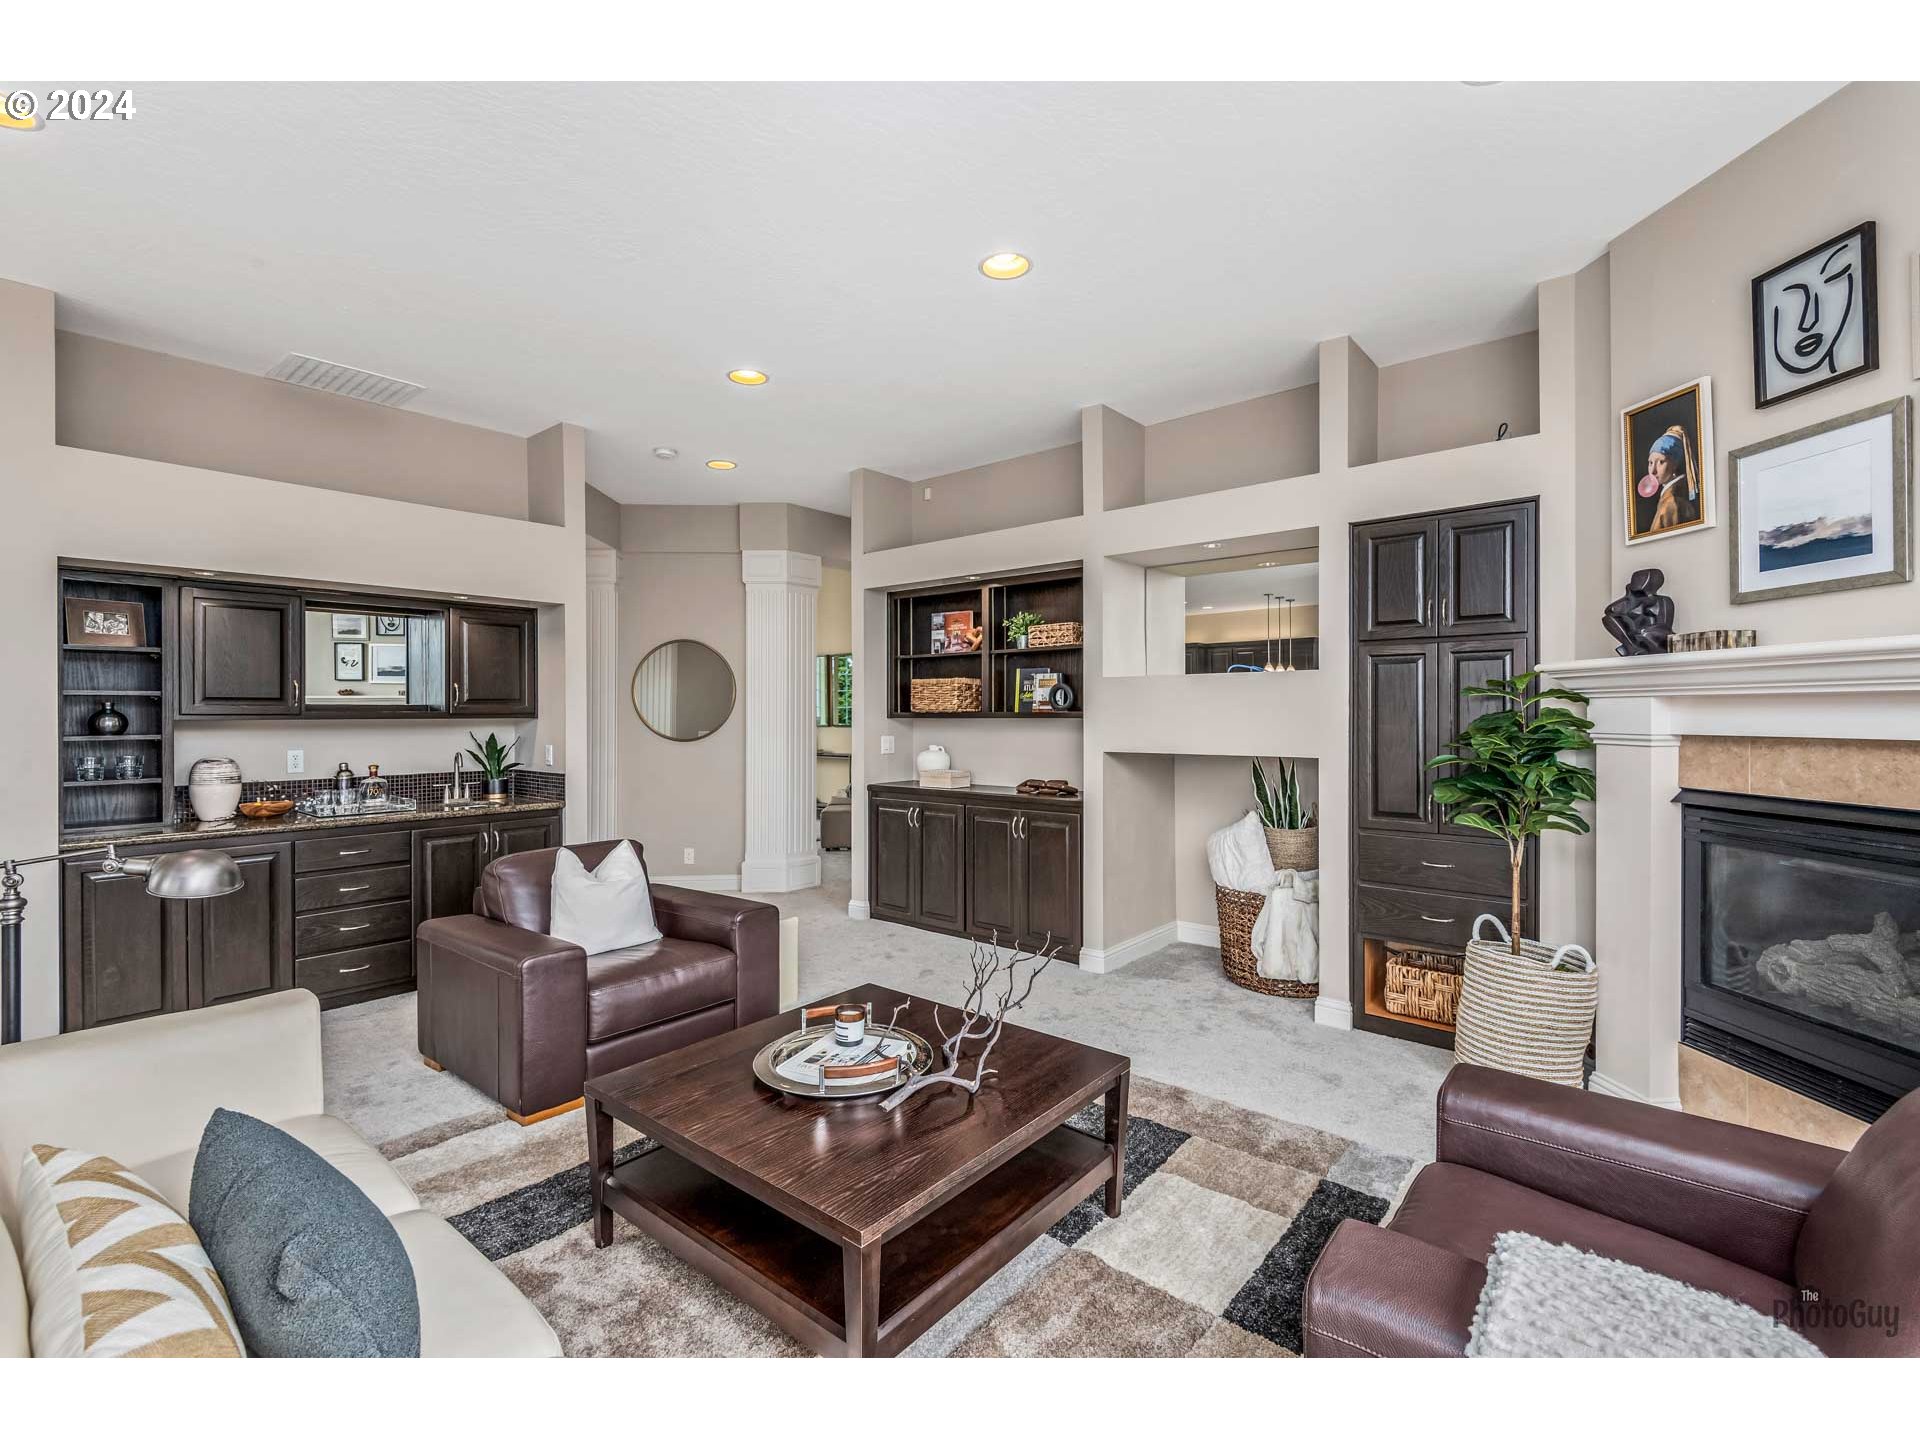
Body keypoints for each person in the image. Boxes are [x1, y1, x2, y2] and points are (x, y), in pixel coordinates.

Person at [1641, 425, 1700, 532]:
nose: (1653, 471)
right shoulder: (1668, 499)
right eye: (1650, 463)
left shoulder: (1673, 502)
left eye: (1661, 462)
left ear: (1675, 464)